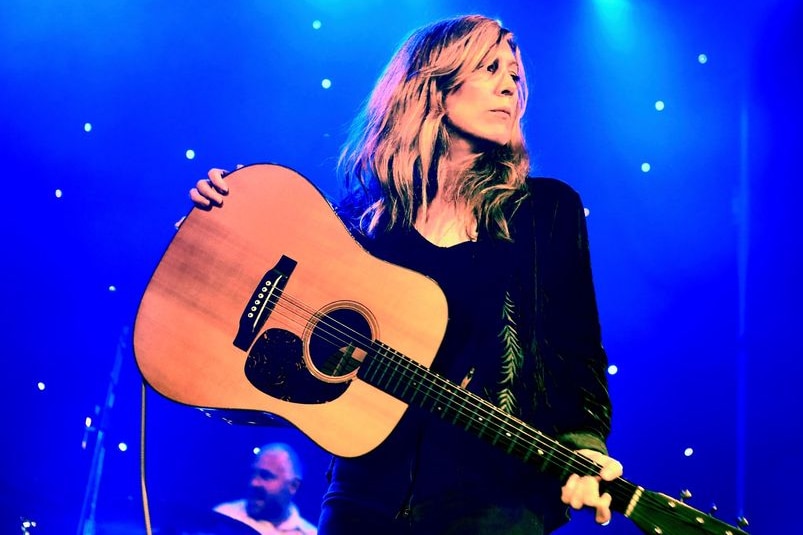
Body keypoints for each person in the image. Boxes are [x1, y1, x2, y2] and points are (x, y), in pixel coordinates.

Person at [191, 14, 622, 535]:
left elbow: (577, 349)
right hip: (363, 495)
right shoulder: (365, 217)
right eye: (489, 68)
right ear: (432, 87)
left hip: (498, 500)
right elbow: (266, 307)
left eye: (514, 73)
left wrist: (586, 447)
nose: (510, 84)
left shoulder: (547, 210)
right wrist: (216, 220)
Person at [213, 443, 318, 535]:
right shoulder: (223, 516)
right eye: (253, 474)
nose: (254, 483)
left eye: (266, 476)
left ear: (293, 486)